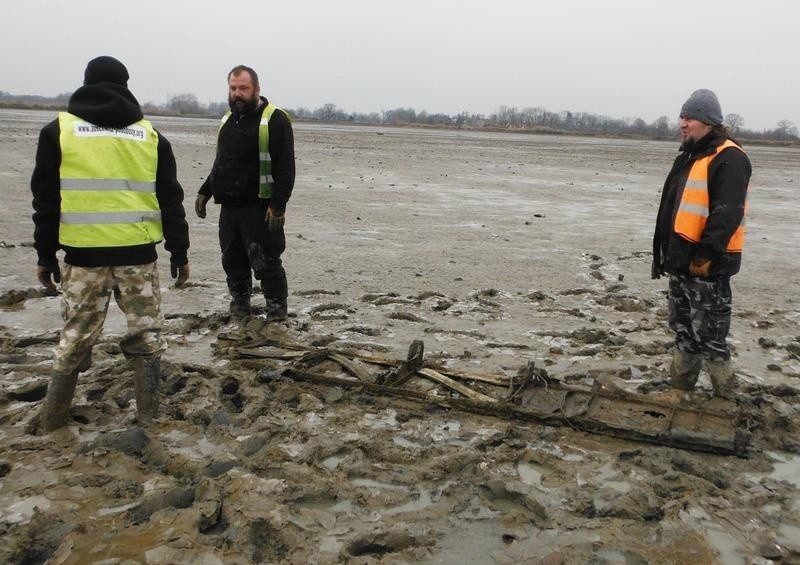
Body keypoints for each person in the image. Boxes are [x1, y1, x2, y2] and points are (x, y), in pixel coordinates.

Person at [30, 56, 191, 432]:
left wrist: (44, 255)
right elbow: (171, 200)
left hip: (83, 259)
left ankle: (52, 422)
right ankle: (150, 419)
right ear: (125, 86)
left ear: (86, 83)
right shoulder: (151, 137)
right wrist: (179, 252)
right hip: (138, 258)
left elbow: (46, 202)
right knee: (147, 338)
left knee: (74, 339)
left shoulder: (58, 132)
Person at [652, 89, 751, 399]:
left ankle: (727, 402)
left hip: (707, 267)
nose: (683, 123)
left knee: (712, 339)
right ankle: (679, 394)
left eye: (690, 117)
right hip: (681, 263)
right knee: (683, 334)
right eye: (682, 116)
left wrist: (706, 255)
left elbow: (728, 213)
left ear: (709, 122)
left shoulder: (729, 157)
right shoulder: (691, 156)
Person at [195, 64, 295, 320]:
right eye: (233, 88)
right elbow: (223, 161)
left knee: (266, 262)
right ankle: (240, 306)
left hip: (260, 208)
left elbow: (286, 167)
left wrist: (279, 205)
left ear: (256, 89)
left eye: (243, 88)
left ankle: (276, 312)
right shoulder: (228, 120)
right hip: (229, 208)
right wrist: (206, 190)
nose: (237, 93)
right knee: (232, 261)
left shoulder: (274, 119)